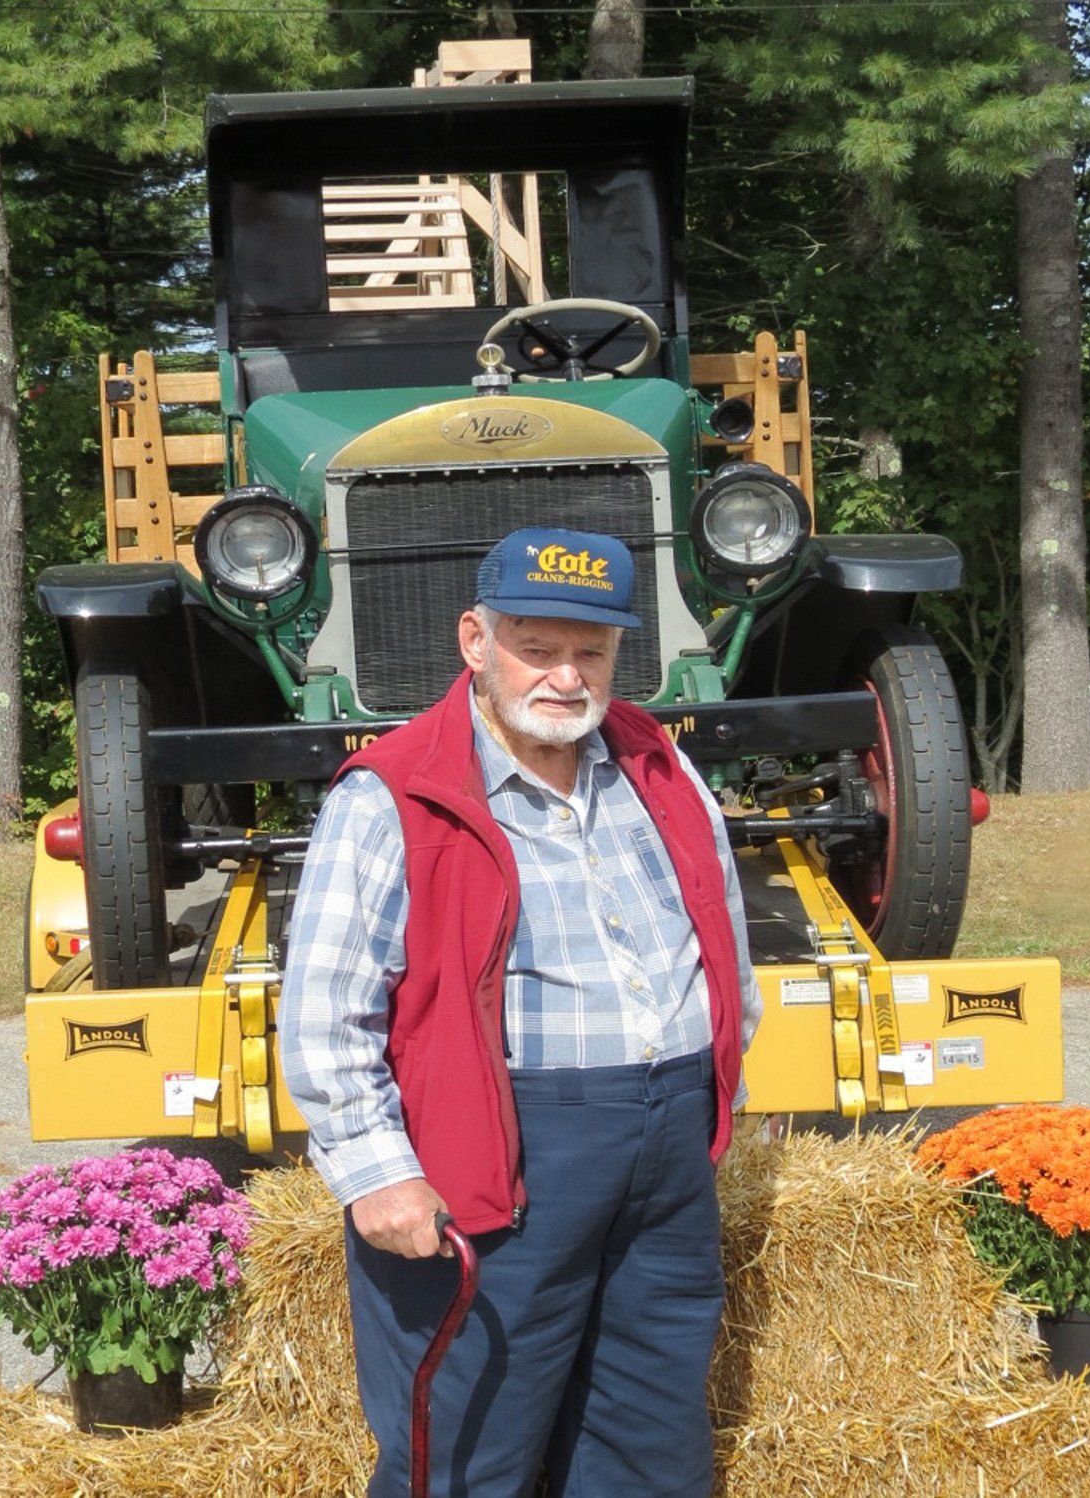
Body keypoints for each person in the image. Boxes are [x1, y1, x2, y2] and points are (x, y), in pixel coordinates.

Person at [280, 526, 762, 1498]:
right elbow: (325, 1009)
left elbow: (721, 932)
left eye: (592, 652)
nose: (567, 676)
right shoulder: (396, 794)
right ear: (474, 639)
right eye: (536, 648)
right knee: (470, 1440)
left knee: (649, 1432)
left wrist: (717, 1076)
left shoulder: (656, 765)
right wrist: (376, 1171)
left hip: (665, 1153)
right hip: (497, 1158)